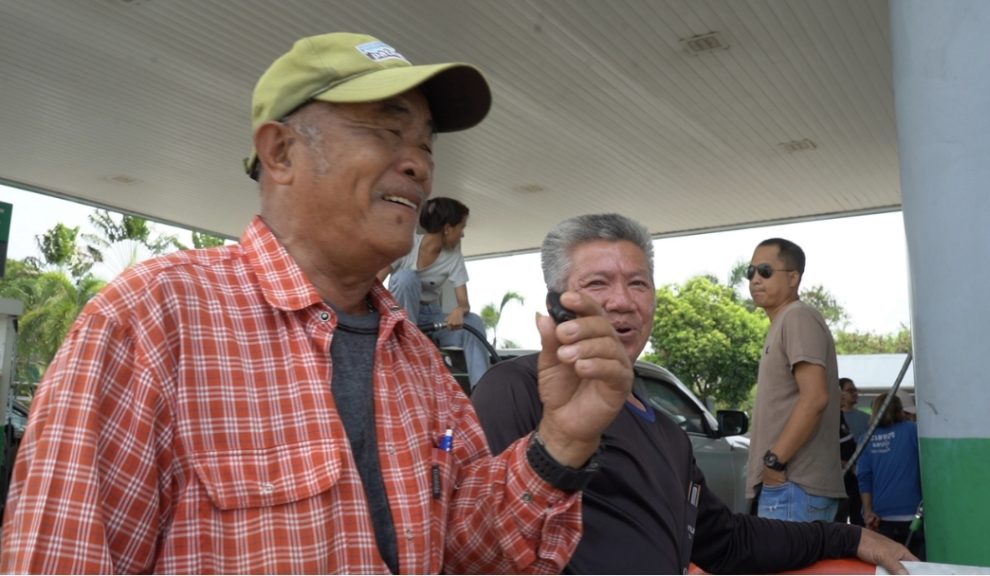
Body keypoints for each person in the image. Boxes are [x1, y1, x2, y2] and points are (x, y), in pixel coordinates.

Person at [1, 32, 635, 574]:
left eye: (426, 145)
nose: (418, 165)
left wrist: (562, 438)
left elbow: (468, 554)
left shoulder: (417, 361)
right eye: (387, 130)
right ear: (280, 152)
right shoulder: (153, 319)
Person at [473, 213, 916, 575]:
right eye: (597, 284)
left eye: (638, 283)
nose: (623, 301)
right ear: (557, 302)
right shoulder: (515, 389)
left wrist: (848, 536)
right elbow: (481, 544)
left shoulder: (668, 434)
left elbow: (727, 541)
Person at [746, 238, 846, 521]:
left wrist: (774, 463)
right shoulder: (783, 321)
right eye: (750, 272)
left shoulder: (797, 316)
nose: (755, 279)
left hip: (794, 488)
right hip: (789, 489)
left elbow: (815, 398)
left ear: (793, 278)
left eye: (765, 271)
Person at [378, 196, 490, 389]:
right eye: (461, 228)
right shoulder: (407, 246)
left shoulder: (454, 257)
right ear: (447, 228)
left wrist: (459, 310)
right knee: (406, 277)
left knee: (474, 322)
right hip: (399, 314)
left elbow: (464, 303)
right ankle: (406, 341)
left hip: (431, 317)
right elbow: (375, 283)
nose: (462, 234)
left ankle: (483, 392)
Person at [858, 393, 926, 559]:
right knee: (914, 564)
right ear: (899, 410)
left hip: (880, 517)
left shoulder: (866, 438)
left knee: (887, 565)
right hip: (912, 514)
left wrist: (868, 511)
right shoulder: (912, 430)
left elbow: (864, 477)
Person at [838, 377, 866, 525]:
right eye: (850, 390)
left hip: (858, 478)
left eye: (855, 390)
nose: (854, 393)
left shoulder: (866, 419)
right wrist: (846, 464)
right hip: (840, 480)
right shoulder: (832, 419)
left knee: (858, 519)